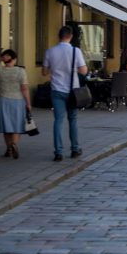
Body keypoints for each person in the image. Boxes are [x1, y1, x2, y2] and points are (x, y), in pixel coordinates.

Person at [42, 26, 88, 161]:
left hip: (57, 90)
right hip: (72, 91)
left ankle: (58, 152)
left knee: (58, 121)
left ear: (59, 36)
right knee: (73, 120)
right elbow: (83, 71)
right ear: (71, 36)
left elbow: (44, 72)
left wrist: (55, 68)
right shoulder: (76, 51)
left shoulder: (50, 52)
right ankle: (74, 149)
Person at [0, 49, 31, 159]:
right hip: (18, 101)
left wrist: (2, 58)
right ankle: (14, 144)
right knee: (17, 126)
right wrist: (28, 104)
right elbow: (24, 89)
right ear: (15, 59)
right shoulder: (21, 71)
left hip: (4, 101)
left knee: (6, 127)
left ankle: (8, 148)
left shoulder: (0, 69)